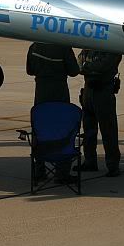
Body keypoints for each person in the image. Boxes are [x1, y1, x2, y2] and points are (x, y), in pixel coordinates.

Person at [26, 42, 79, 183]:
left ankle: (39, 170)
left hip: (41, 92)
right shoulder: (63, 47)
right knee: (62, 130)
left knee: (39, 130)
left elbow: (29, 70)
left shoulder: (34, 46)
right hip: (59, 91)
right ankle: (61, 172)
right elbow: (74, 71)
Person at [78, 49, 122, 177]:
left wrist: (86, 66)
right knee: (88, 130)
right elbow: (78, 64)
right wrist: (89, 67)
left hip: (103, 91)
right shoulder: (88, 47)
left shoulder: (112, 47)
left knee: (108, 130)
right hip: (88, 90)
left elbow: (103, 66)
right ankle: (89, 161)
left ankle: (113, 165)